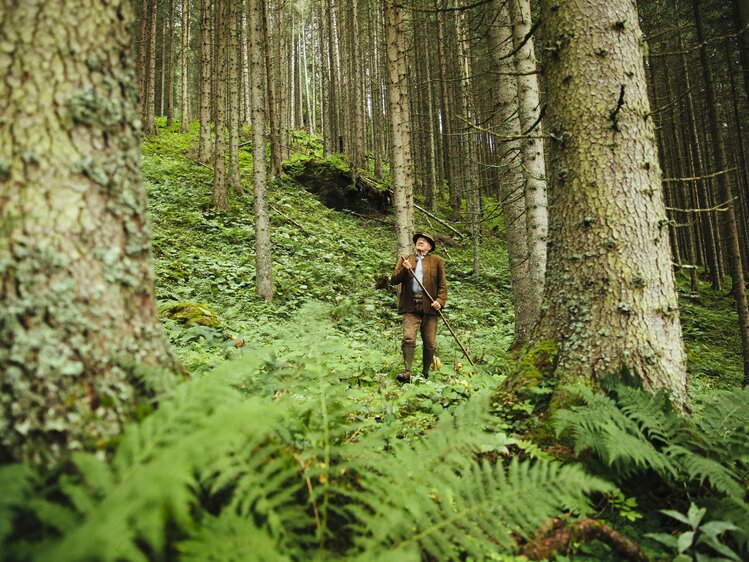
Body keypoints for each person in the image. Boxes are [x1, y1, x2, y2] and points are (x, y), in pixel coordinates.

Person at [390, 231, 447, 383]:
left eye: (424, 240)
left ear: (429, 247)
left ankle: (425, 374)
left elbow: (442, 286)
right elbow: (394, 280)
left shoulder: (437, 261)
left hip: (430, 307)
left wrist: (439, 302)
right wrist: (404, 269)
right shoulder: (406, 259)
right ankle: (407, 372)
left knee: (430, 342)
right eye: (418, 240)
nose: (420, 241)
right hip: (410, 305)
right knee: (408, 337)